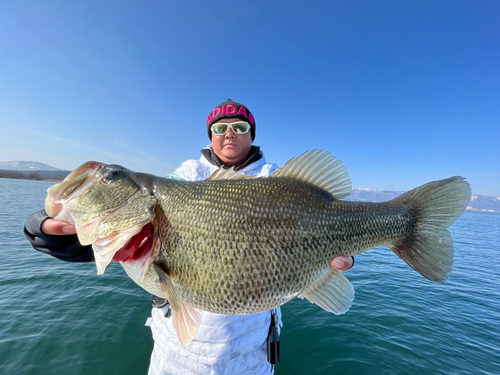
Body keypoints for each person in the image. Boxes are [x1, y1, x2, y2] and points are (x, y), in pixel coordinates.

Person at [24, 99, 354, 374]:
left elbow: (329, 224)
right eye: (220, 128)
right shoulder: (184, 177)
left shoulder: (275, 178)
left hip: (252, 351)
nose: (229, 134)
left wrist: (342, 251)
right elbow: (110, 235)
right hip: (177, 356)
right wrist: (47, 230)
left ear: (251, 134)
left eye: (239, 128)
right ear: (210, 135)